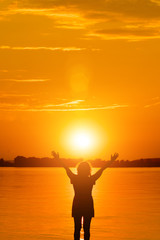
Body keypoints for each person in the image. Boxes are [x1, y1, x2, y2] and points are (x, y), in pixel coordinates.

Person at [52, 151, 119, 240]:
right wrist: (111, 161)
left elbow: (66, 168)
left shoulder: (75, 178)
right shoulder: (90, 179)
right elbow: (102, 169)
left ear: (79, 170)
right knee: (87, 229)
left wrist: (58, 159)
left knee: (77, 229)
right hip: (87, 204)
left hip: (78, 204)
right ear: (88, 170)